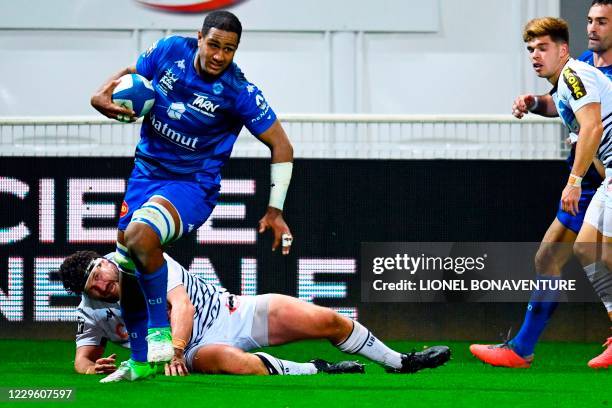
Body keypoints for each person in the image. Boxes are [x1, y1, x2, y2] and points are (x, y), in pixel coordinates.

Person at [89, 10, 295, 371]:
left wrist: (274, 210)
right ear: (198, 38)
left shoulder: (238, 92)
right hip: (145, 173)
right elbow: (132, 75)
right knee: (126, 265)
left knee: (141, 236)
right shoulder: (169, 51)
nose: (219, 55)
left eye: (229, 49)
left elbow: (282, 146)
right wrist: (101, 94)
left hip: (191, 186)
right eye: (214, 44)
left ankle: (159, 333)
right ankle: (139, 363)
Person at [58, 251, 451, 382]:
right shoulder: (90, 311)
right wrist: (88, 369)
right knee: (227, 360)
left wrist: (173, 348)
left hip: (233, 312)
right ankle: (318, 369)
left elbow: (183, 307)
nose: (102, 285)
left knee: (328, 320)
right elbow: (82, 357)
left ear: (104, 262)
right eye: (93, 287)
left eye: (99, 274)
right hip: (199, 348)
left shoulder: (142, 257)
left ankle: (401, 362)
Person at [470, 10, 612, 369]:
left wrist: (574, 181)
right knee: (566, 255)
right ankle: (520, 348)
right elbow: (571, 112)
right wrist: (535, 103)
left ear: (562, 50)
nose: (535, 55)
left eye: (542, 48)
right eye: (530, 48)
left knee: (594, 252)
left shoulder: (577, 74)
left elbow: (592, 127)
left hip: (593, 180)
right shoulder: (573, 73)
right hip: (601, 176)